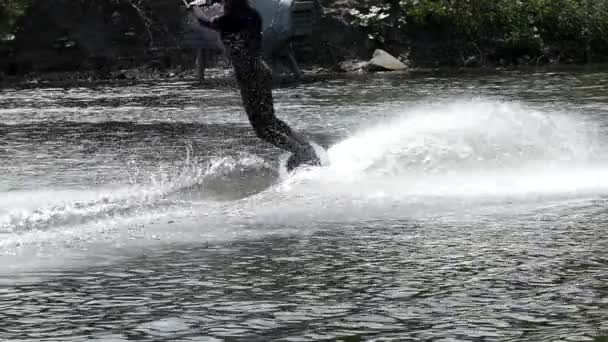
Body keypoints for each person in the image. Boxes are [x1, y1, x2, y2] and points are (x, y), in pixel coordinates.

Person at [188, 0, 320, 171]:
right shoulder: (251, 14)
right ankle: (306, 148)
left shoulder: (230, 19)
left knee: (262, 129)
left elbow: (204, 21)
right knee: (270, 120)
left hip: (249, 75)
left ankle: (300, 152)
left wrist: (193, 5)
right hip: (260, 70)